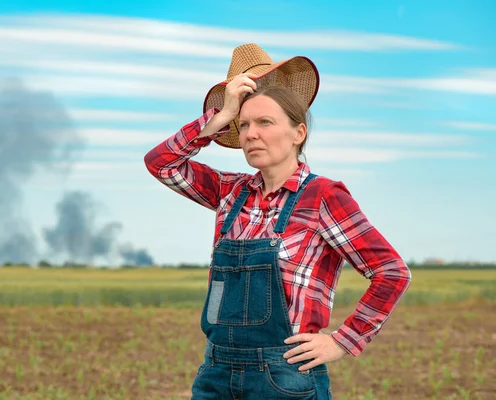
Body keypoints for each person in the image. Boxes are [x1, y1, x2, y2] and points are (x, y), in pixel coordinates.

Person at [144, 43, 411, 400]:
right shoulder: (230, 192)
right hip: (216, 371)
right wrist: (216, 120)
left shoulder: (323, 197)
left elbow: (392, 272)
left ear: (298, 133)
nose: (251, 134)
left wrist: (343, 341)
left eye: (265, 123)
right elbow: (160, 163)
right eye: (244, 126)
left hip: (284, 377)